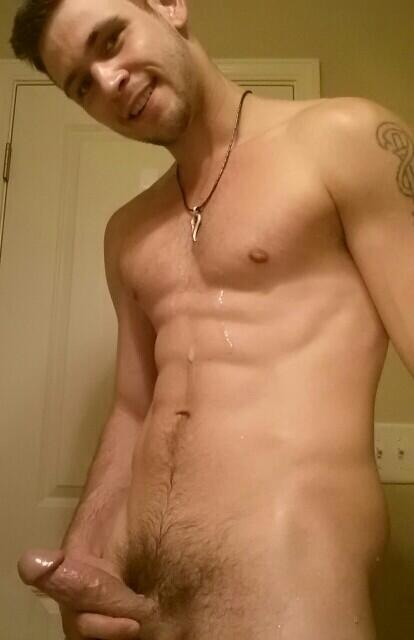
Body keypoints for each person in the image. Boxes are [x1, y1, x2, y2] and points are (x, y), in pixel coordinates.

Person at [10, 0, 414, 638]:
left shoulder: (343, 138)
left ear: (170, 6)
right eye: (82, 85)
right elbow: (131, 409)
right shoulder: (128, 233)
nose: (109, 81)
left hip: (288, 587)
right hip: (142, 601)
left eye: (110, 40)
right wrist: (85, 557)